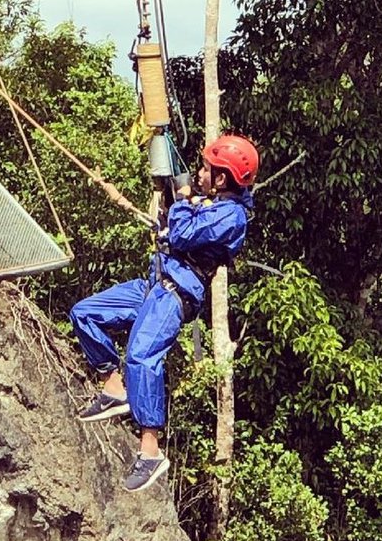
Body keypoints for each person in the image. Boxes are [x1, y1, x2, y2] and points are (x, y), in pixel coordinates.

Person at [69, 133, 258, 493]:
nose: (199, 174)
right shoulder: (209, 201)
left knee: (141, 355)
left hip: (174, 294)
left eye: (205, 169)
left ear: (221, 179)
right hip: (153, 285)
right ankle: (114, 387)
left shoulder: (231, 216)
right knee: (85, 313)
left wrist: (183, 199)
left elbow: (184, 235)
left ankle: (151, 451)